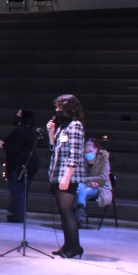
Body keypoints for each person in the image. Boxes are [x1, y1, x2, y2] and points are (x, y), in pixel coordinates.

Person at [46, 94, 86, 259]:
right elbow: (53, 150)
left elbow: (75, 154)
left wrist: (67, 176)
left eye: (60, 107)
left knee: (67, 211)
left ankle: (75, 247)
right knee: (63, 212)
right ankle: (68, 245)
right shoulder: (62, 127)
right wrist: (51, 133)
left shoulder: (75, 126)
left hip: (68, 175)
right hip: (57, 174)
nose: (57, 110)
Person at [0, 109, 39, 223]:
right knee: (22, 190)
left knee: (18, 189)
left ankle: (18, 215)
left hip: (20, 165)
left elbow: (16, 147)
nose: (16, 116)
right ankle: (17, 212)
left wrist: (4, 145)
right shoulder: (27, 130)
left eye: (19, 114)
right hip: (27, 164)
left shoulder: (21, 130)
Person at [75, 138, 112, 225]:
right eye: (86, 152)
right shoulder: (82, 160)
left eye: (90, 151)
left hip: (99, 187)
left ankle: (77, 219)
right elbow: (78, 176)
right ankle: (80, 210)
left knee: (80, 192)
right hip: (84, 186)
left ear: (96, 150)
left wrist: (86, 181)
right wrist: (87, 183)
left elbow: (103, 178)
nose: (88, 154)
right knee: (80, 189)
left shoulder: (103, 160)